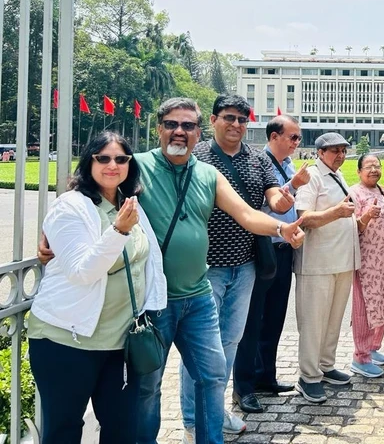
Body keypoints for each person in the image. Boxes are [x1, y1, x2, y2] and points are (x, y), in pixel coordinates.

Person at [33, 98, 306, 444]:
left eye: (188, 126)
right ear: (160, 128)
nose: (180, 131)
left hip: (198, 295)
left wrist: (281, 229)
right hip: (155, 300)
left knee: (212, 375)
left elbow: (246, 214)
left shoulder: (208, 173)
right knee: (147, 386)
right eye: (172, 124)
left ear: (197, 132)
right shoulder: (138, 167)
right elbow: (88, 191)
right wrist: (49, 232)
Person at [29, 132, 167, 444]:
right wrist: (118, 230)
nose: (112, 165)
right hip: (67, 340)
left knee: (121, 430)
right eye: (102, 158)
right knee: (63, 431)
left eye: (121, 159)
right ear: (88, 162)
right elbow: (82, 272)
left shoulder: (127, 202)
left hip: (119, 343)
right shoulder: (70, 207)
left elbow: (144, 260)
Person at [178, 94, 294, 436]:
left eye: (242, 120)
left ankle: (214, 410)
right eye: (229, 118)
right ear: (213, 120)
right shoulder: (196, 157)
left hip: (244, 266)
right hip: (204, 268)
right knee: (199, 347)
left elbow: (272, 194)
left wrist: (281, 198)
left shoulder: (257, 159)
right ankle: (191, 420)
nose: (236, 125)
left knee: (229, 342)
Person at [233, 115, 310, 406]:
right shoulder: (257, 163)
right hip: (262, 247)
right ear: (274, 136)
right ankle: (244, 386)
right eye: (292, 137)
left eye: (299, 138)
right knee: (253, 320)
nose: (296, 143)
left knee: (275, 317)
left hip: (285, 249)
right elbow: (259, 205)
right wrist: (292, 185)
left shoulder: (289, 165)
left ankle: (266, 375)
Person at [292, 132, 361, 403]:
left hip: (342, 260)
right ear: (320, 153)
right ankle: (308, 376)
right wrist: (336, 212)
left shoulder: (337, 175)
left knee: (333, 320)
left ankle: (326, 364)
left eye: (343, 150)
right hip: (317, 263)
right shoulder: (313, 177)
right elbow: (304, 218)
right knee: (313, 322)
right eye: (334, 151)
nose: (340, 156)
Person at [348, 154, 384, 378]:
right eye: (368, 166)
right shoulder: (353, 193)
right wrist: (367, 216)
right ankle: (360, 356)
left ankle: (373, 347)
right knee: (364, 307)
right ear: (359, 171)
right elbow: (352, 229)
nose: (373, 170)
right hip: (366, 261)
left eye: (377, 166)